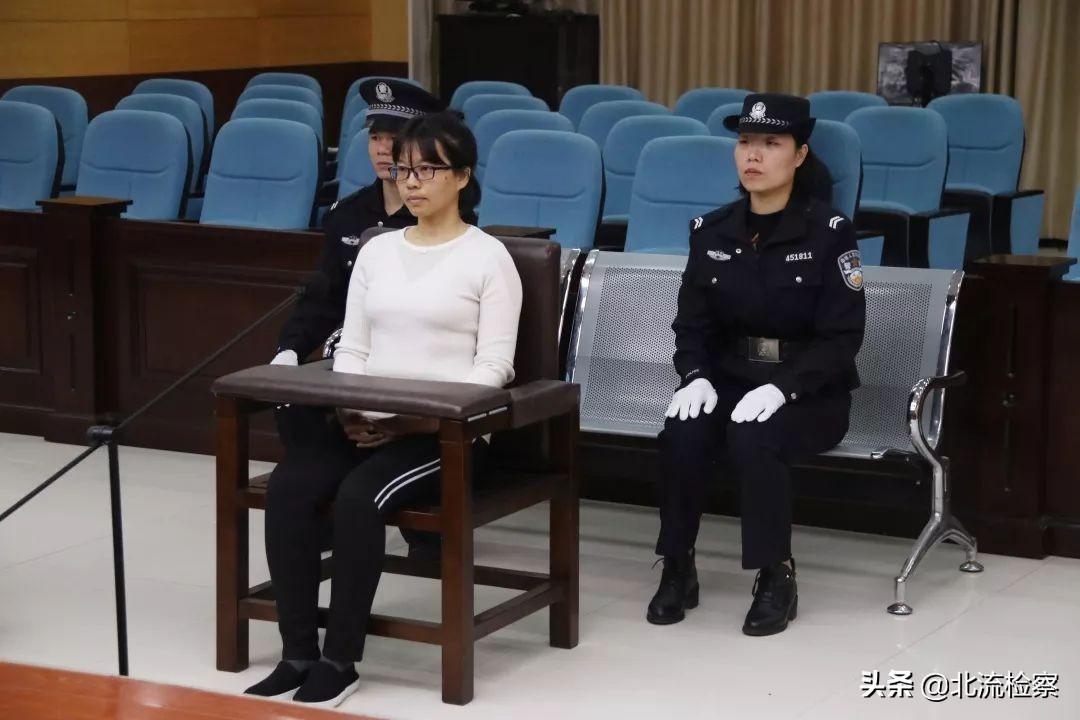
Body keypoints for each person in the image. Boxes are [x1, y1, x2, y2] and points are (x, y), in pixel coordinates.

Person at [245, 110, 523, 708]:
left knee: (358, 497)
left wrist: (417, 419)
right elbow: (354, 347)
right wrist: (351, 410)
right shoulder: (377, 251)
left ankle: (339, 660)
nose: (413, 182)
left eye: (429, 170)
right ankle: (297, 653)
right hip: (365, 422)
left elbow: (494, 366)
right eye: (404, 170)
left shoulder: (488, 257)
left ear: (463, 177)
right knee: (290, 488)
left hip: (443, 433)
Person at [645, 93, 866, 636]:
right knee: (682, 432)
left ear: (800, 154)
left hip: (810, 393)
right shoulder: (712, 230)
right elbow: (692, 324)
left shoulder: (828, 232)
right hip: (729, 381)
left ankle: (776, 575)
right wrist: (694, 375)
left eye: (771, 143)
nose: (754, 154)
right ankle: (677, 566)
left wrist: (784, 387)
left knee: (754, 436)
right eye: (745, 141)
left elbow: (841, 338)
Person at [271, 78, 446, 558]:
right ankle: (328, 505)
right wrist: (288, 350)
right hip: (350, 350)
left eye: (396, 137)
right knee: (291, 400)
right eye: (375, 137)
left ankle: (421, 523)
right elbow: (323, 296)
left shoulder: (439, 214)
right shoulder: (348, 215)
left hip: (409, 355)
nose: (384, 149)